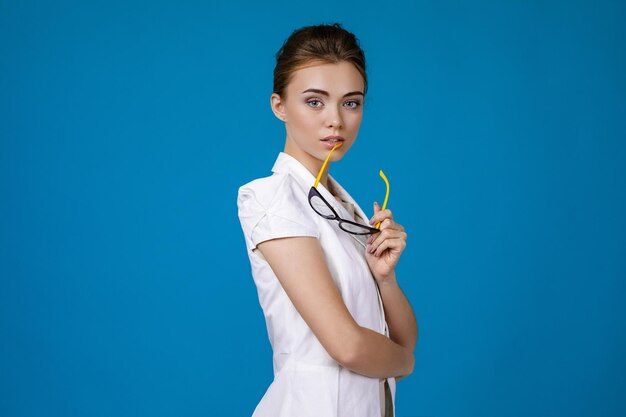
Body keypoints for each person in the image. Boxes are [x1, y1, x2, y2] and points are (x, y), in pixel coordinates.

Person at [237, 23, 418, 417]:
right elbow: (349, 346)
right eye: (315, 101)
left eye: (350, 103)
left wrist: (384, 278)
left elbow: (401, 339)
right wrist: (405, 362)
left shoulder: (345, 209)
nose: (336, 120)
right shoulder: (272, 198)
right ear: (279, 105)